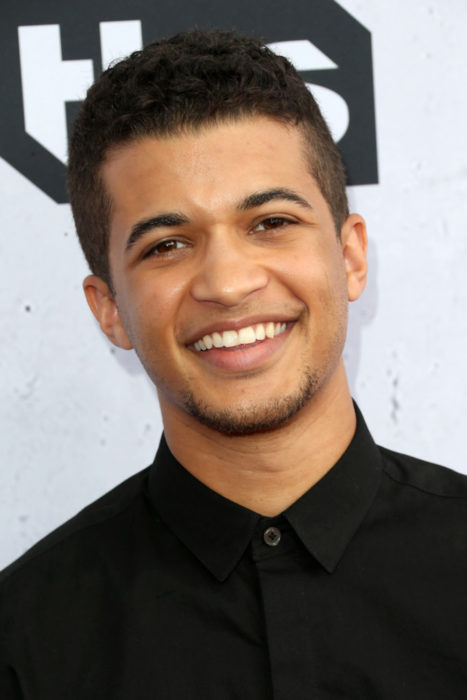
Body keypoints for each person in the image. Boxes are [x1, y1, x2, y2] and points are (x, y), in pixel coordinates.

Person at [1, 28, 466, 699]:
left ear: (350, 256)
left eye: (270, 223)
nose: (226, 282)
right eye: (166, 245)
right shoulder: (24, 644)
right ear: (108, 309)